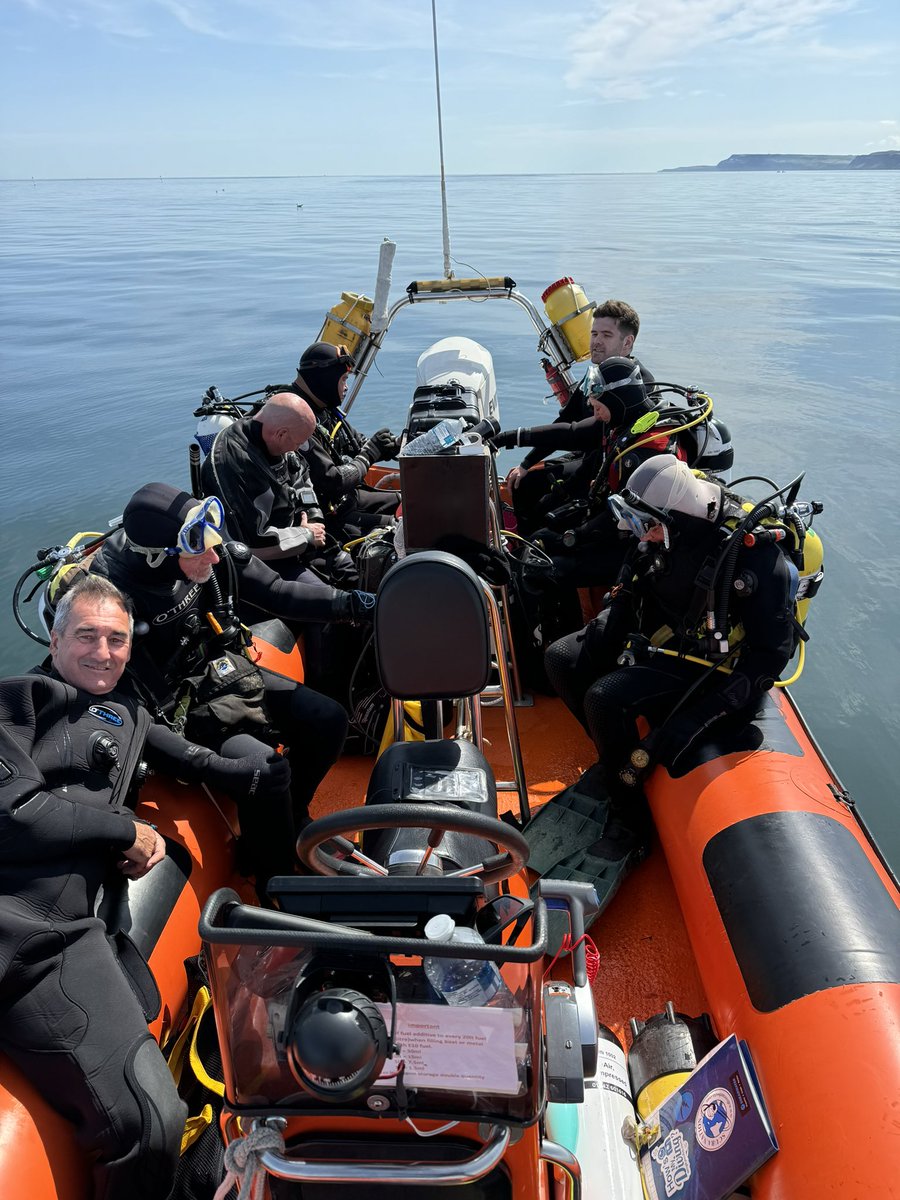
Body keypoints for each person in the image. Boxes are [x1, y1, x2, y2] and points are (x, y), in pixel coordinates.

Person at [0, 576, 291, 1199]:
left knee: (151, 1117)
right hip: (17, 917)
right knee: (149, 1115)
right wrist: (122, 830)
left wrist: (264, 772)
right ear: (53, 639)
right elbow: (11, 810)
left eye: (116, 639)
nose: (102, 652)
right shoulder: (16, 699)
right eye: (86, 636)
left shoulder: (127, 711)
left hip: (64, 935)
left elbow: (194, 760)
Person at [541, 455, 795, 896]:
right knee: (561, 659)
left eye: (649, 526)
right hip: (668, 639)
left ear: (676, 517)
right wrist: (608, 623)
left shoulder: (751, 559)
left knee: (605, 697)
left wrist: (698, 717)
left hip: (717, 668)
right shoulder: (661, 534)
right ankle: (616, 763)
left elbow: (773, 654)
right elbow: (631, 581)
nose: (643, 536)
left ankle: (631, 823)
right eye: (637, 525)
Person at [88, 483, 366, 835]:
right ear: (158, 556)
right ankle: (270, 875)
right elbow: (125, 713)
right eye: (199, 552)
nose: (215, 558)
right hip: (175, 712)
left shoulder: (205, 556)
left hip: (220, 674)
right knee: (265, 770)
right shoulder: (110, 608)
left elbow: (279, 593)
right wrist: (208, 765)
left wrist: (359, 604)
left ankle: (293, 816)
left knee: (330, 720)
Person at [503, 300, 655, 535]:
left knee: (545, 509)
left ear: (627, 342)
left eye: (606, 335)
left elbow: (583, 433)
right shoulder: (594, 376)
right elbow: (566, 420)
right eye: (594, 333)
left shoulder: (636, 385)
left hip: (604, 470)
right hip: (585, 456)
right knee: (523, 482)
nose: (596, 341)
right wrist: (526, 463)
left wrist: (513, 438)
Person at [199, 391, 359, 588]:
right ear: (281, 433)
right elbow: (255, 542)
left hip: (297, 540)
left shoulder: (274, 439)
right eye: (298, 442)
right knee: (328, 601)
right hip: (261, 561)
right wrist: (306, 535)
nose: (297, 448)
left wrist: (313, 515)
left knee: (353, 570)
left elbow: (301, 477)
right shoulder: (232, 464)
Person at [287, 341, 402, 541]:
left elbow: (357, 442)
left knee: (410, 502)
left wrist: (393, 445)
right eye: (343, 380)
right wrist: (369, 454)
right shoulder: (297, 418)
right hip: (327, 519)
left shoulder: (324, 407)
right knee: (399, 528)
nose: (346, 387)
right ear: (325, 379)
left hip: (347, 500)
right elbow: (333, 481)